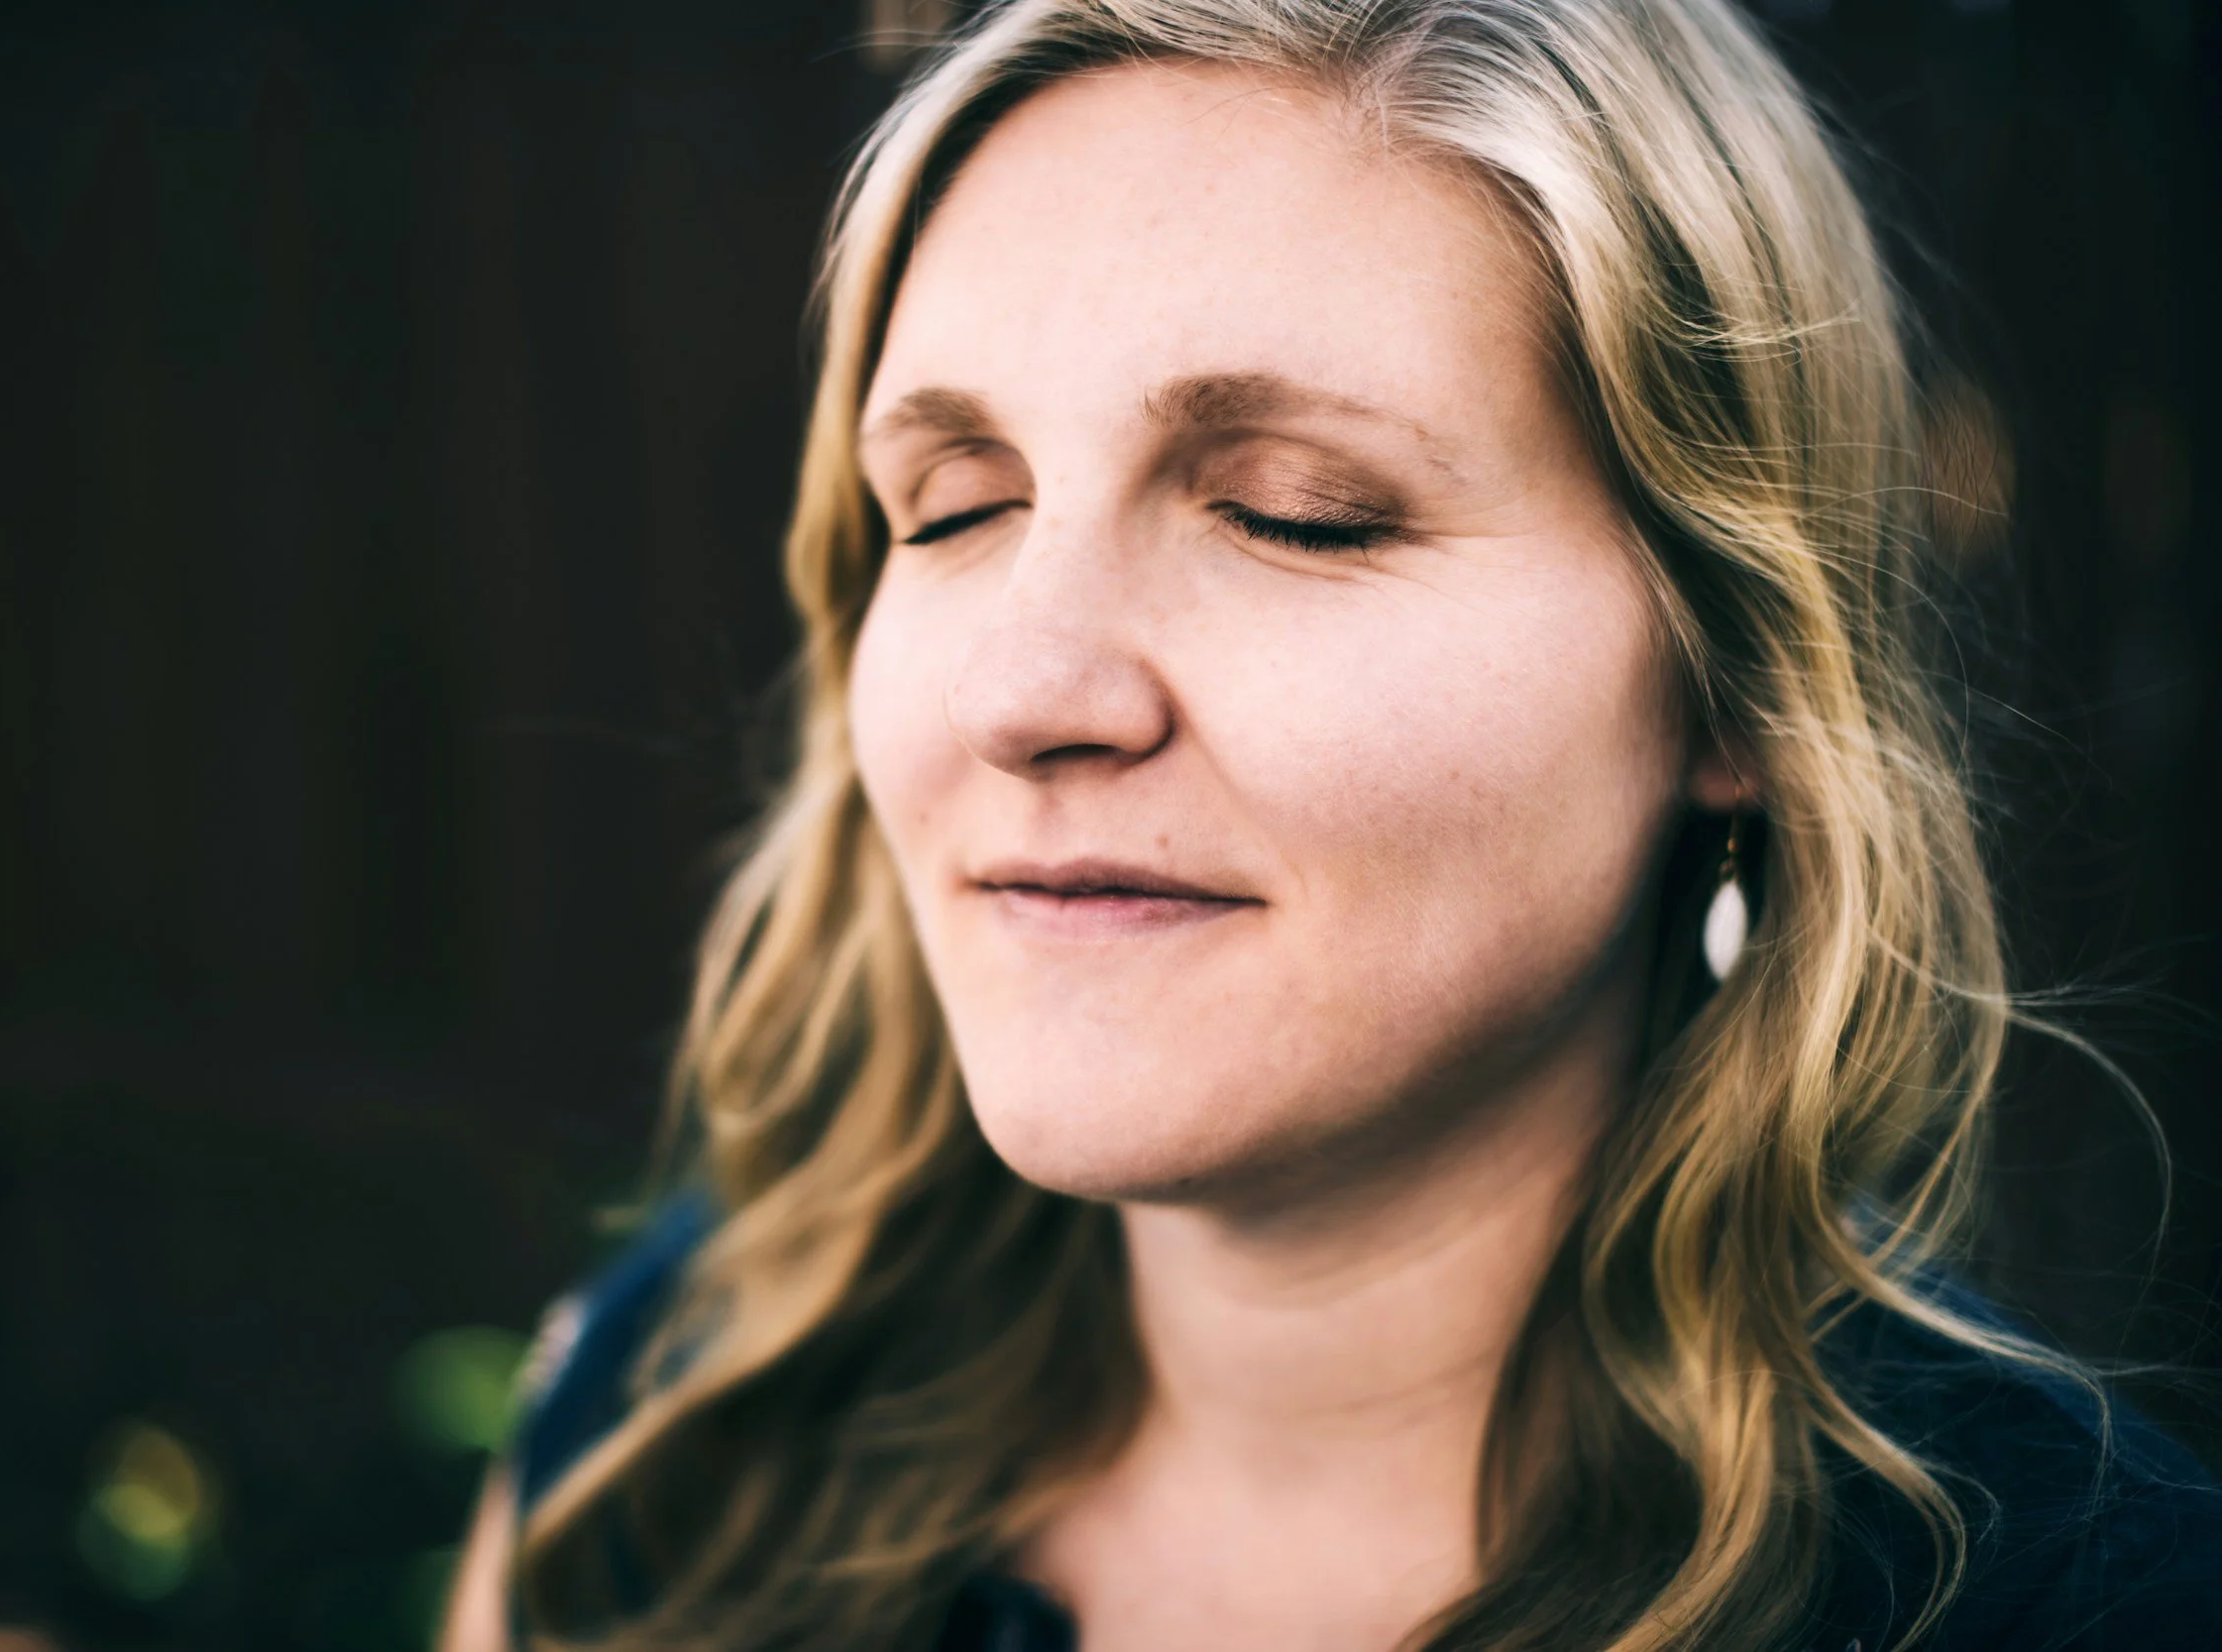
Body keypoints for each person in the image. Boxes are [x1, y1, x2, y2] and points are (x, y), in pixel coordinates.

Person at [443, 2, 2222, 1647]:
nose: (1023, 688)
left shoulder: (2078, 1602)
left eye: (1298, 516)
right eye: (958, 504)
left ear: (1737, 684)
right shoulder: (686, 1428)